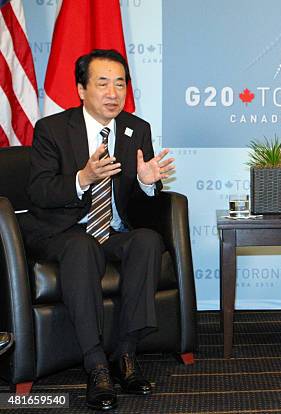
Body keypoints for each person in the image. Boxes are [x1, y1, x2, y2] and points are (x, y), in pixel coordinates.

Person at [21, 49, 175, 410]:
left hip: (115, 232)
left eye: (120, 84)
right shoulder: (53, 130)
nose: (113, 93)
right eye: (103, 83)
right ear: (81, 89)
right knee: (81, 247)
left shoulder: (138, 130)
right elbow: (38, 191)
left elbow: (143, 211)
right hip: (64, 232)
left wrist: (146, 183)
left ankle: (125, 356)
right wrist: (82, 178)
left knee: (148, 241)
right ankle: (95, 366)